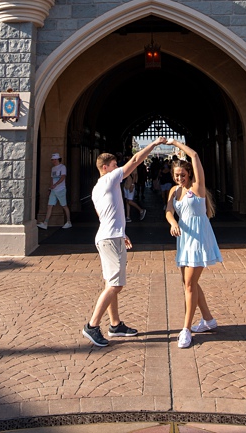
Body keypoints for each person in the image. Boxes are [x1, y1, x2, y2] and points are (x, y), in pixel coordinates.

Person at [83, 137, 167, 347]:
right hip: (110, 239)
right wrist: (155, 144)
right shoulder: (110, 179)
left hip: (110, 235)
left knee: (110, 283)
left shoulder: (96, 188)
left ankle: (115, 324)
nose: (118, 168)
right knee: (116, 284)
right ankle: (92, 326)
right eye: (114, 165)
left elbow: (104, 214)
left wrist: (121, 232)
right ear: (105, 167)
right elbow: (137, 160)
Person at [164, 139, 221, 349]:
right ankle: (208, 319)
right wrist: (172, 223)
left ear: (190, 174)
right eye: (176, 175)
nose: (180, 178)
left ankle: (186, 329)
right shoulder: (173, 191)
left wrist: (177, 143)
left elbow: (195, 156)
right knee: (190, 283)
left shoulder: (198, 188)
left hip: (199, 239)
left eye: (183, 175)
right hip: (184, 240)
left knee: (189, 284)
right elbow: (169, 211)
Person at [37, 152, 71, 230]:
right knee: (49, 206)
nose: (54, 161)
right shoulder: (53, 168)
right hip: (54, 190)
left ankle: (69, 222)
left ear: (58, 159)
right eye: (52, 160)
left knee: (64, 206)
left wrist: (55, 185)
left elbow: (62, 177)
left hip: (61, 189)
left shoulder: (62, 167)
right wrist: (50, 188)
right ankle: (45, 223)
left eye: (55, 159)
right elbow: (52, 179)